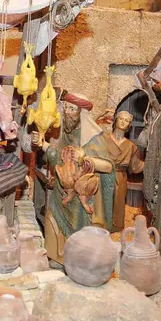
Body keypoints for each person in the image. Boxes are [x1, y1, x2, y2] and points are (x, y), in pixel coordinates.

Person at [34, 93, 114, 263]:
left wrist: (86, 159)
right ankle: (58, 260)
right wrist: (43, 145)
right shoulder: (66, 134)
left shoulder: (93, 137)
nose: (67, 112)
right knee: (52, 222)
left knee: (80, 236)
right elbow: (59, 158)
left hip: (82, 197)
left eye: (72, 109)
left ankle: (78, 263)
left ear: (81, 113)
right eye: (65, 108)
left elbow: (108, 166)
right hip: (62, 194)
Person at [103, 110, 144, 231]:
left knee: (118, 203)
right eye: (121, 118)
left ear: (129, 126)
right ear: (115, 121)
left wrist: (150, 164)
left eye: (126, 121)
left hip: (120, 178)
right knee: (102, 203)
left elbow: (135, 166)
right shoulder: (103, 138)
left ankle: (115, 229)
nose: (123, 122)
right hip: (103, 175)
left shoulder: (131, 146)